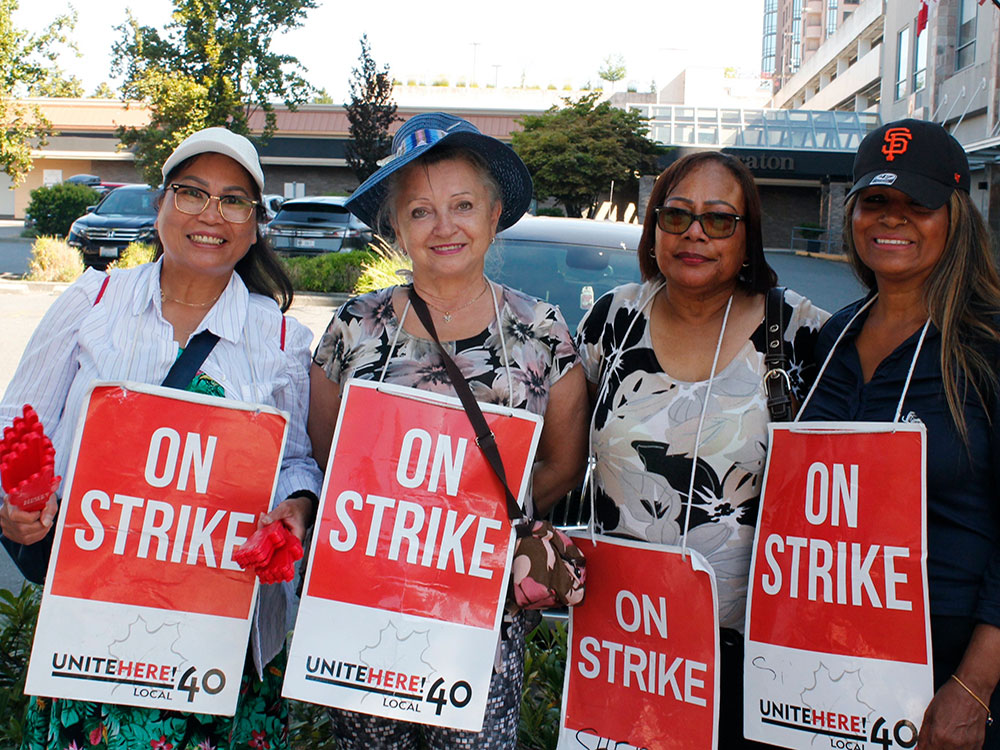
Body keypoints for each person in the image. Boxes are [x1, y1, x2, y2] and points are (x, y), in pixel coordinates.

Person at [0, 127, 323, 750]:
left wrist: (295, 511)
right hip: (95, 633)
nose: (211, 214)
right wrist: (18, 506)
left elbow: (296, 463)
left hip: (221, 642)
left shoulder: (282, 341)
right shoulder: (93, 302)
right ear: (159, 208)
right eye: (191, 192)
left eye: (234, 200)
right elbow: (19, 424)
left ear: (254, 225)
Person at [308, 111, 588, 749]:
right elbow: (328, 450)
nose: (445, 227)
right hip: (365, 615)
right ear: (398, 229)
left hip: (482, 620)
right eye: (420, 211)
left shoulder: (540, 331)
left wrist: (485, 528)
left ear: (494, 215)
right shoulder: (357, 326)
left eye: (463, 205)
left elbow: (562, 464)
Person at [575, 151, 828, 747]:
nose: (694, 233)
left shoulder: (798, 331)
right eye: (676, 215)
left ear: (748, 238)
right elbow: (562, 453)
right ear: (654, 227)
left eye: (718, 220)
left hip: (748, 644)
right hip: (620, 636)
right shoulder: (613, 318)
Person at [798, 119, 1000, 750]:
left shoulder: (989, 344)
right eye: (877, 202)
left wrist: (974, 686)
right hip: (830, 655)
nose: (893, 219)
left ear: (958, 216)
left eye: (920, 205)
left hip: (949, 664)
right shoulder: (832, 337)